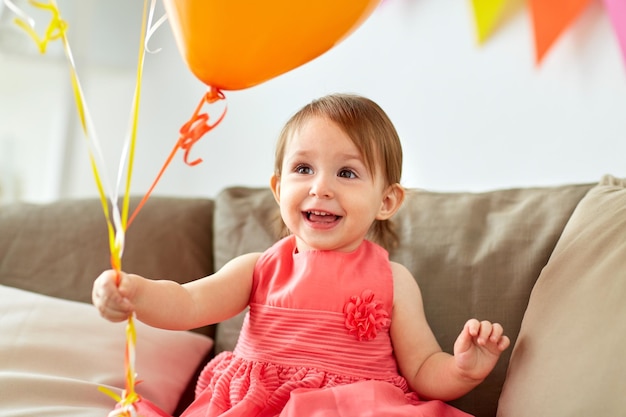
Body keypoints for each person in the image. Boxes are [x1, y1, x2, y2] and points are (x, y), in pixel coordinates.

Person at [93, 93, 510, 417]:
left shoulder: (393, 280)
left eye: (346, 173)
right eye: (303, 169)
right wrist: (137, 294)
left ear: (386, 200)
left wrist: (461, 370)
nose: (320, 187)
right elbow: (188, 303)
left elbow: (421, 369)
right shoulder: (257, 269)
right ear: (277, 189)